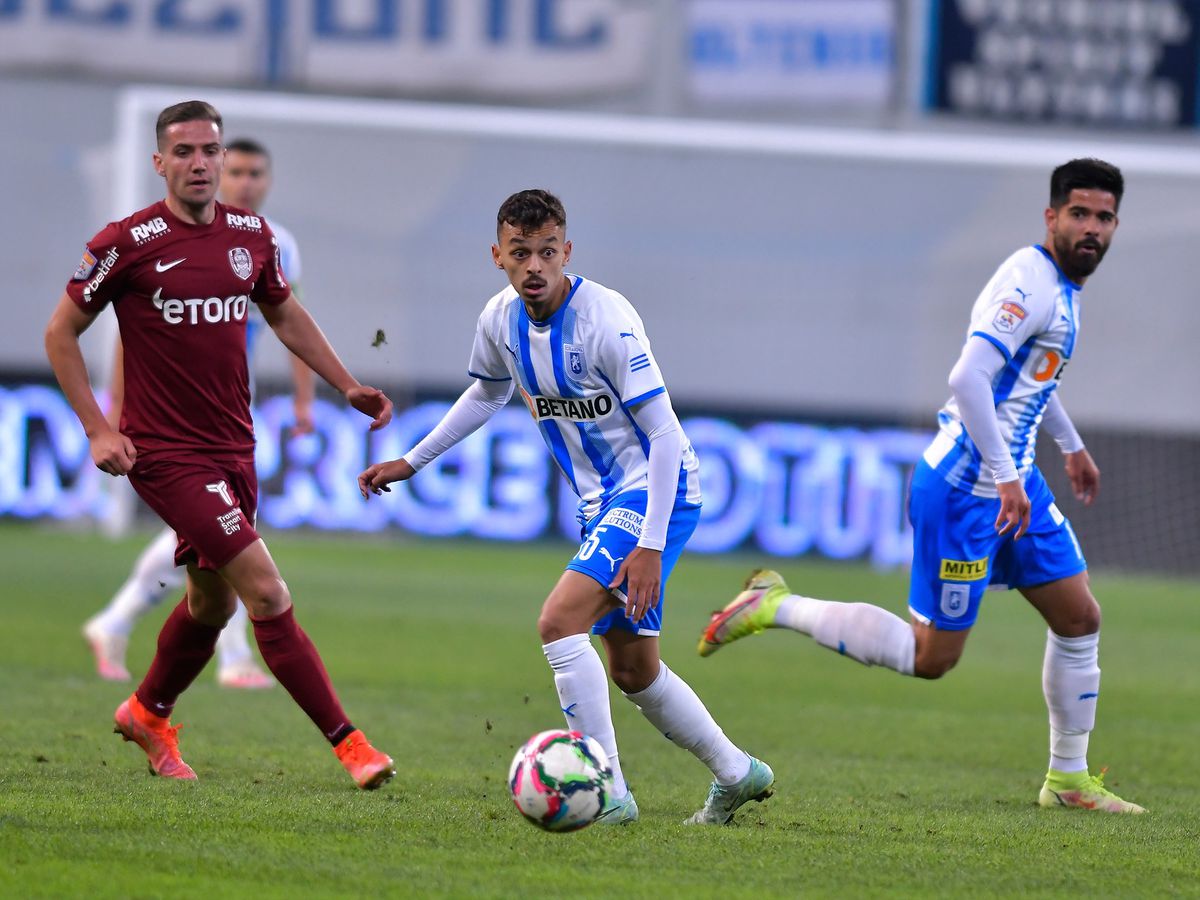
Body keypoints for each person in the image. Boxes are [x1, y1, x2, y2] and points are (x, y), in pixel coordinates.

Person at [698, 159, 1144, 814]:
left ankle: (1068, 780)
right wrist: (1005, 475)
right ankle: (774, 605)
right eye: (1079, 214)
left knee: (1080, 616)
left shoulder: (1062, 287)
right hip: (969, 492)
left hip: (1014, 485)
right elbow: (968, 380)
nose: (1091, 229)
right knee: (932, 657)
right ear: (1051, 217)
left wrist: (1069, 447)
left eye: (1103, 218)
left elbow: (1026, 379)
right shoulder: (1031, 282)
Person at [358, 189, 773, 825]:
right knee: (634, 670)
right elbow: (487, 393)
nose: (534, 266)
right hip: (599, 502)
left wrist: (652, 544)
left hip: (653, 488)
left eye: (546, 252)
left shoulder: (607, 320)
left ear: (566, 252)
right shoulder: (500, 318)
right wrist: (412, 460)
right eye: (520, 253)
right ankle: (738, 772)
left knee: (558, 622)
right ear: (497, 255)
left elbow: (663, 436)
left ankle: (608, 793)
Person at [45, 100, 395, 789]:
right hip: (165, 452)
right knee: (265, 592)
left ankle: (146, 713)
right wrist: (98, 427)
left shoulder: (251, 237)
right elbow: (61, 334)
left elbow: (284, 313)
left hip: (235, 445)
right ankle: (351, 745)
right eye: (185, 153)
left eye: (210, 150)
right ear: (160, 164)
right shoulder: (127, 241)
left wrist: (346, 386)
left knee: (213, 604)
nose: (200, 163)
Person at [83, 138, 314, 690]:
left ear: (269, 179)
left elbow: (292, 320)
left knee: (218, 536)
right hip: (172, 417)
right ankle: (233, 658)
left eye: (256, 172)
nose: (245, 181)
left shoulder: (275, 242)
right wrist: (115, 410)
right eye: (236, 170)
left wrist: (306, 398)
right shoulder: (161, 241)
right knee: (232, 541)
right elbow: (128, 333)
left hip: (232, 410)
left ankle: (115, 620)